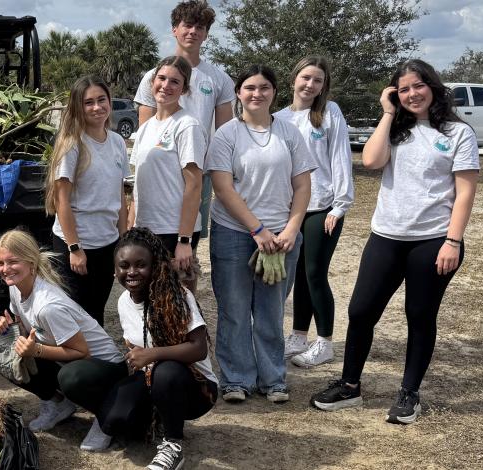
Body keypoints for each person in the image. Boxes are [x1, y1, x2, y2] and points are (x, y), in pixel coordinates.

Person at [311, 59, 478, 425]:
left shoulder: (457, 133)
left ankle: (409, 393)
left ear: (432, 87)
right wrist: (387, 114)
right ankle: (350, 385)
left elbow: (465, 192)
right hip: (386, 236)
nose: (412, 94)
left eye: (418, 86)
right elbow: (371, 161)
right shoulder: (395, 129)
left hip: (433, 241)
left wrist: (453, 241)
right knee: (361, 311)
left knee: (419, 316)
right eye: (403, 89)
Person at [206, 65, 315, 404]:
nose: (257, 93)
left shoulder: (290, 133)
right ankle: (236, 379)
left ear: (274, 93)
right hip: (234, 233)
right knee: (235, 309)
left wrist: (292, 228)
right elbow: (223, 187)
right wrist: (257, 229)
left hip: (281, 238)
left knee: (270, 310)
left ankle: (273, 379)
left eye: (264, 87)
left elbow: (302, 184)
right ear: (239, 93)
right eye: (250, 87)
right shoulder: (226, 135)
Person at [0, 229, 127, 452]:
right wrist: (7, 329)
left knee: (70, 378)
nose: (5, 269)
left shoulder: (48, 305)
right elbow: (26, 330)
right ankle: (58, 404)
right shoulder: (16, 288)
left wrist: (36, 350)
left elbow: (81, 352)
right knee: (4, 352)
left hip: (107, 367)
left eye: (13, 261)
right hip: (68, 356)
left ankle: (104, 417)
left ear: (31, 262)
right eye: (0, 263)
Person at [99, 227, 218, 470]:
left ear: (156, 266)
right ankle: (161, 418)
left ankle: (173, 445)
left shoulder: (178, 296)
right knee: (113, 421)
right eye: (124, 265)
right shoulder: (123, 301)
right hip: (153, 380)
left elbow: (199, 349)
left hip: (195, 387)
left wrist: (152, 354)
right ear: (115, 269)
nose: (132, 272)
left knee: (166, 370)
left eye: (140, 265)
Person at [274, 57, 355, 368]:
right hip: (292, 209)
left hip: (324, 206)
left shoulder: (328, 113)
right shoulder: (279, 118)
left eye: (317, 80)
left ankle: (325, 343)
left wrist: (341, 204)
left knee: (315, 274)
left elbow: (340, 158)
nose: (310, 85)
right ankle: (298, 336)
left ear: (324, 85)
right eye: (306, 78)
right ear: (294, 78)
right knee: (297, 275)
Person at [134, 0, 236, 239]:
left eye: (200, 27)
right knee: (153, 237)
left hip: (197, 170)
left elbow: (224, 133)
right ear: (174, 30)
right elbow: (145, 130)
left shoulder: (219, 79)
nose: (193, 31)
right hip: (159, 168)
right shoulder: (153, 77)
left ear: (206, 34)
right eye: (187, 25)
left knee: (189, 237)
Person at [45, 75, 131, 325]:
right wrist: (75, 248)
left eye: (101, 100)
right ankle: (75, 364)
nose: (97, 107)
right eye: (88, 102)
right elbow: (61, 201)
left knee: (96, 312)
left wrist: (123, 242)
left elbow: (119, 194)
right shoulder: (72, 145)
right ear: (78, 107)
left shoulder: (117, 142)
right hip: (77, 245)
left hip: (107, 243)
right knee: (74, 315)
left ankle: (96, 362)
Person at [130, 56, 207, 292]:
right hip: (146, 229)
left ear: (184, 88)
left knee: (176, 305)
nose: (166, 86)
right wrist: (130, 231)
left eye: (175, 81)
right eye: (161, 78)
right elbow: (137, 186)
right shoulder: (145, 128)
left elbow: (194, 187)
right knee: (151, 301)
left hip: (174, 231)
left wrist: (184, 241)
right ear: (152, 81)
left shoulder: (187, 125)